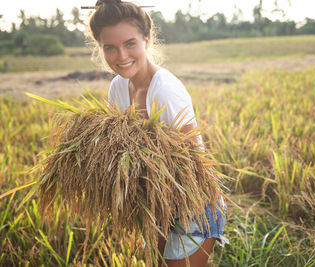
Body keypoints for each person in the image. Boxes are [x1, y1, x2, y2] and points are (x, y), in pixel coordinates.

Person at [87, 1, 228, 266]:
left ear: (147, 40)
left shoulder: (164, 90)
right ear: (101, 49)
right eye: (110, 48)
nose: (121, 56)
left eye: (130, 44)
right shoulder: (118, 87)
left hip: (193, 202)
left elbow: (196, 162)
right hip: (156, 201)